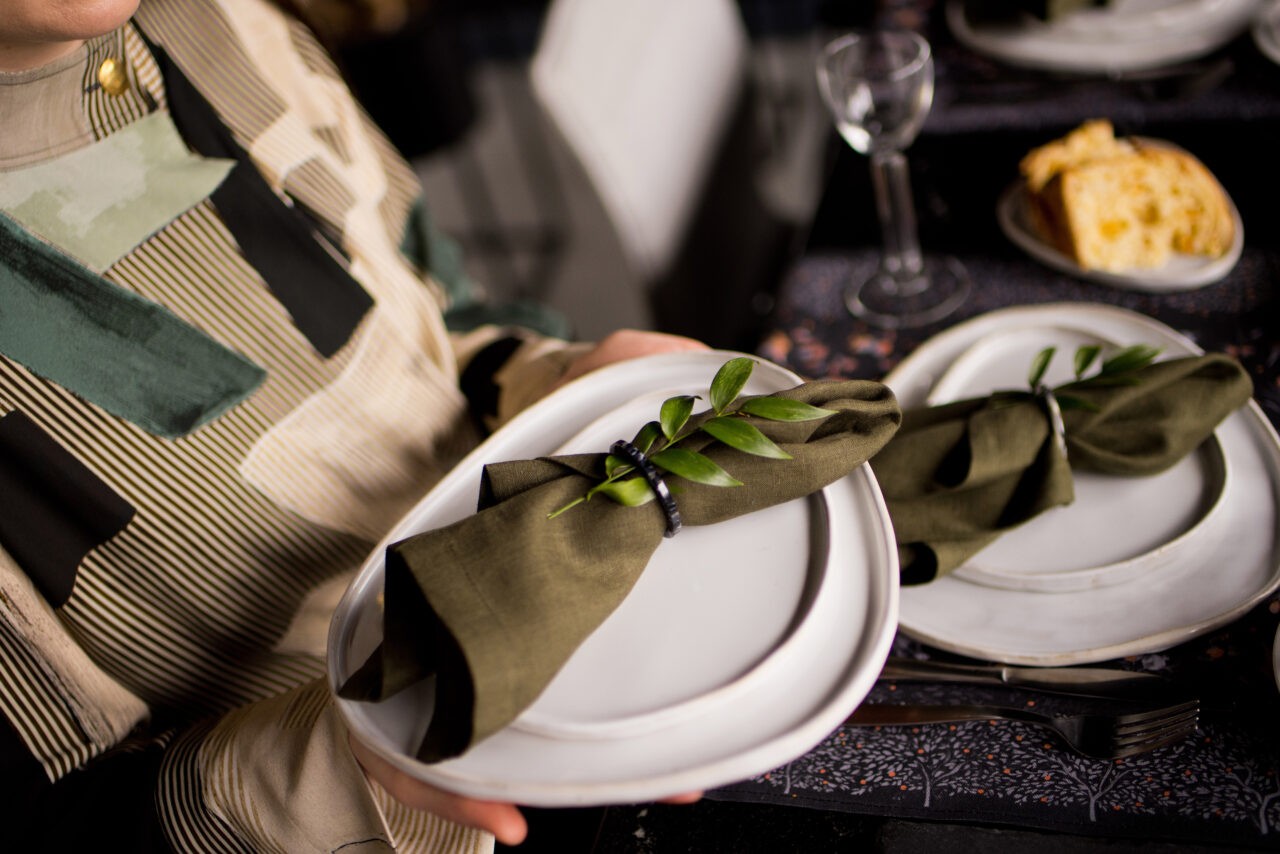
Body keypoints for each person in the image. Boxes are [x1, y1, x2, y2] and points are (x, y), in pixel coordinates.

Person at [0, 0, 704, 849]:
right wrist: (344, 754)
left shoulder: (221, 19)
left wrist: (551, 380)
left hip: (617, 633)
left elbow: (436, 319)